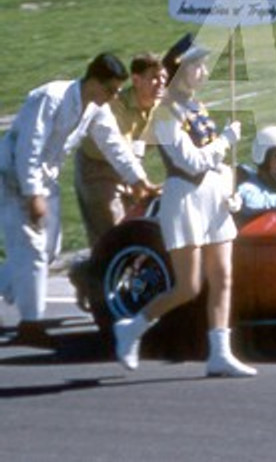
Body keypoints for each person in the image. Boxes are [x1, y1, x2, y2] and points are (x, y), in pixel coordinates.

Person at [112, 34, 255, 377]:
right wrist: (226, 141)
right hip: (185, 198)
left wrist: (230, 189)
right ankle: (132, 328)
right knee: (188, 286)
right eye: (197, 66)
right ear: (180, 70)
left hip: (212, 196)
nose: (204, 72)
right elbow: (190, 161)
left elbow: (214, 163)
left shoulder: (196, 107)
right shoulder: (164, 114)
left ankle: (219, 353)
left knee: (223, 276)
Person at [0, 53, 141, 347]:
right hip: (15, 179)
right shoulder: (50, 98)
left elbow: (114, 145)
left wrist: (138, 180)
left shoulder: (95, 109)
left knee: (50, 250)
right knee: (34, 251)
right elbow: (29, 147)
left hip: (45, 181)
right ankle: (31, 325)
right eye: (111, 89)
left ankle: (15, 292)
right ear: (93, 81)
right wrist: (32, 194)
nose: (114, 96)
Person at [74, 52, 165, 246]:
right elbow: (119, 149)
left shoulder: (159, 107)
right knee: (113, 234)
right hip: (98, 171)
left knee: (136, 229)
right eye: (154, 78)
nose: (160, 83)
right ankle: (96, 273)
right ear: (136, 80)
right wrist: (139, 181)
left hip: (129, 167)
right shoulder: (116, 105)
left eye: (163, 77)